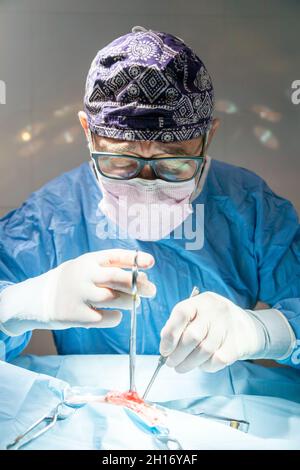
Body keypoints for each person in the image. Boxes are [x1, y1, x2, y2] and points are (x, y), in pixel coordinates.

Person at [0, 26, 299, 373]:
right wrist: (23, 303)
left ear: (208, 138)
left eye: (173, 164)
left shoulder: (249, 206)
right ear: (88, 133)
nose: (147, 185)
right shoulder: (53, 215)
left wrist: (262, 331)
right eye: (121, 163)